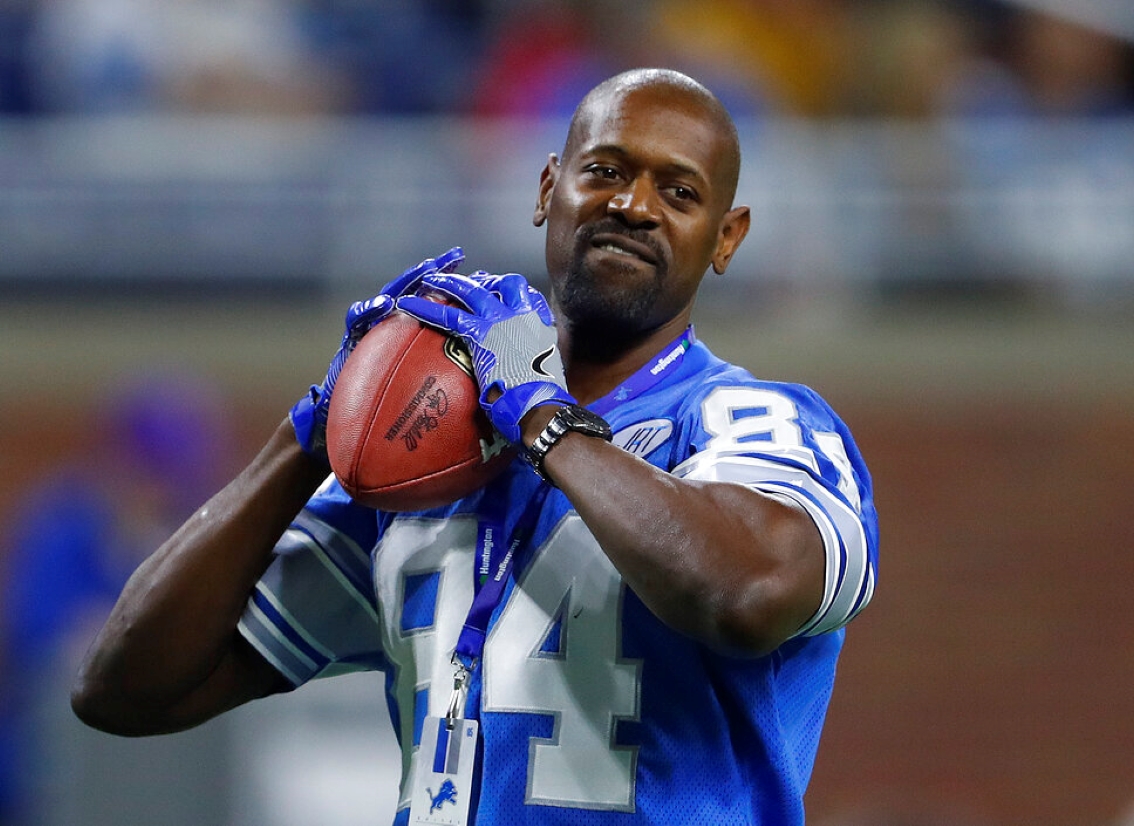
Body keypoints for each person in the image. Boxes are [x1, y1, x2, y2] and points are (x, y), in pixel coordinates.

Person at [71, 68, 879, 825]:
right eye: (604, 170)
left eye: (679, 191)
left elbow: (750, 592)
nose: (634, 205)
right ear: (547, 189)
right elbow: (125, 690)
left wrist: (546, 422)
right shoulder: (430, 460)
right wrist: (311, 434)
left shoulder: (749, 419)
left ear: (726, 238)